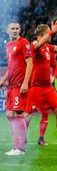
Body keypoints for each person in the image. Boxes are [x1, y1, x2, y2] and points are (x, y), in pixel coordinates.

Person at [25, 21, 57, 151]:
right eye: (48, 33)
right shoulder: (35, 44)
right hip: (35, 87)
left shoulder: (47, 47)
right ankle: (20, 141)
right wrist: (52, 31)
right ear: (41, 35)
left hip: (48, 88)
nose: (50, 36)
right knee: (28, 115)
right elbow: (38, 45)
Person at [0, 22, 33, 156]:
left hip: (20, 85)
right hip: (11, 85)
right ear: (8, 30)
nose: (15, 31)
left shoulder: (24, 43)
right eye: (12, 29)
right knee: (10, 115)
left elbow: (30, 62)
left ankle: (20, 148)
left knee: (18, 114)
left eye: (17, 28)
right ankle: (16, 146)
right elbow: (11, 65)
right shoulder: (8, 45)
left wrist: (25, 82)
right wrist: (3, 79)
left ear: (20, 30)